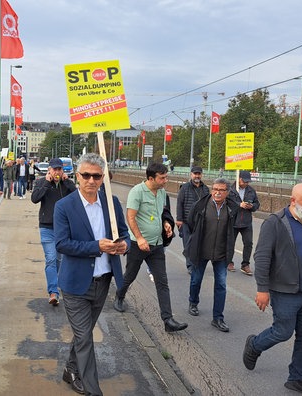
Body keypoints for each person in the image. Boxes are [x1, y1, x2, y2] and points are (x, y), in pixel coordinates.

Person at [243, 183, 302, 396]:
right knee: (282, 332)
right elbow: (262, 256)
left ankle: (297, 378)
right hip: (285, 292)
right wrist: (262, 289)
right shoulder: (276, 222)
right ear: (293, 201)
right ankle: (255, 345)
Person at [53, 153, 129, 396]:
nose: (91, 180)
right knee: (85, 337)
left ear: (102, 177)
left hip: (103, 280)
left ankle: (70, 369)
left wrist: (124, 245)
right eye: (86, 175)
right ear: (78, 176)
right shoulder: (64, 206)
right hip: (75, 284)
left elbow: (125, 234)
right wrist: (97, 246)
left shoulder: (112, 202)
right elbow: (62, 244)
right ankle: (93, 390)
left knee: (82, 334)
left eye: (96, 176)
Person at [113, 163, 187, 333]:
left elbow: (161, 214)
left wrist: (166, 224)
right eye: (162, 177)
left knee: (162, 281)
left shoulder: (161, 193)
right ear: (151, 178)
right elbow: (130, 218)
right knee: (130, 275)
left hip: (157, 244)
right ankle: (119, 295)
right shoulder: (137, 192)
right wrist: (139, 238)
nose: (165, 180)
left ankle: (168, 320)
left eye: (166, 176)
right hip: (138, 244)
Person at [184, 177, 237, 332]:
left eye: (221, 190)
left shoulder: (231, 208)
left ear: (227, 192)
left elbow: (234, 230)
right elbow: (190, 221)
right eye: (215, 189)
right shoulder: (202, 205)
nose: (217, 193)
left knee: (221, 285)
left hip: (221, 253)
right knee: (196, 280)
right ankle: (193, 302)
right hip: (201, 251)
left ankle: (218, 318)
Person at [30, 157, 76, 306]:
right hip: (47, 227)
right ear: (49, 170)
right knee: (50, 259)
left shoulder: (66, 184)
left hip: (63, 228)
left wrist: (67, 181)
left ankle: (58, 283)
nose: (57, 172)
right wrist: (46, 182)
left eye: (59, 169)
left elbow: (77, 198)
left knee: (60, 260)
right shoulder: (41, 182)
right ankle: (53, 292)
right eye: (54, 169)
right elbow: (35, 198)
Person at [176, 166, 210, 274]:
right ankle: (190, 266)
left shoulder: (205, 189)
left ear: (201, 175)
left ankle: (197, 264)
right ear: (191, 175)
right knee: (188, 244)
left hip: (200, 221)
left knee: (199, 244)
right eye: (195, 174)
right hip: (186, 221)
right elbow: (179, 204)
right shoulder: (185, 188)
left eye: (199, 174)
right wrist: (179, 219)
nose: (197, 176)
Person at [227, 170, 259, 275]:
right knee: (230, 243)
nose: (246, 183)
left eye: (247, 181)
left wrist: (251, 206)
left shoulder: (251, 191)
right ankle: (229, 262)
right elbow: (226, 202)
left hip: (246, 221)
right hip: (233, 220)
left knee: (248, 243)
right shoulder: (230, 190)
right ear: (238, 178)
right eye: (244, 181)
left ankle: (245, 265)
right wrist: (239, 205)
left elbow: (257, 204)